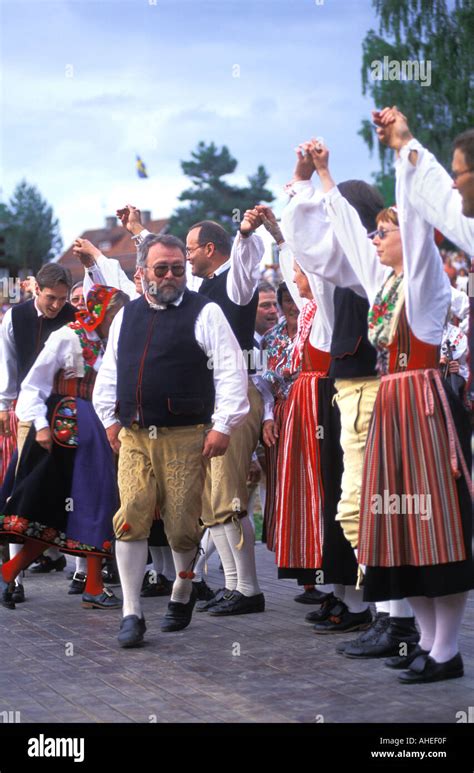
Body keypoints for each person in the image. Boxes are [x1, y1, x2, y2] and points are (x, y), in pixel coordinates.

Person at [305, 135, 472, 683]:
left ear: (409, 236)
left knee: (434, 527)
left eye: (386, 230)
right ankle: (426, 641)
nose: (375, 238)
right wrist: (325, 180)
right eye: (376, 230)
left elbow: (419, 233)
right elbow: (352, 241)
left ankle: (447, 650)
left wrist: (405, 154)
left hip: (420, 408)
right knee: (399, 528)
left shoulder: (425, 288)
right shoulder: (385, 285)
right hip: (393, 411)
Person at [93, 233, 250, 647]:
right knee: (131, 515)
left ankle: (183, 588)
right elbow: (110, 371)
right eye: (160, 269)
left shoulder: (206, 312)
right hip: (134, 435)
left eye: (178, 269)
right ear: (141, 272)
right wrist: (110, 419)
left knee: (182, 525)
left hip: (186, 434)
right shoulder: (127, 315)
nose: (170, 276)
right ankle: (132, 612)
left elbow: (232, 372)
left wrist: (223, 425)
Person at [118, 206, 266, 618]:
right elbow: (159, 261)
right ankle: (233, 585)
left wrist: (247, 234)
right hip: (206, 402)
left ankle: (248, 588)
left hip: (231, 397)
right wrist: (135, 231)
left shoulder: (233, 286)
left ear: (210, 250)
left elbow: (245, 262)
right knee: (209, 498)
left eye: (189, 251)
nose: (180, 263)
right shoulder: (191, 287)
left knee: (228, 495)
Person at [0, 285, 128, 610]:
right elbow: (33, 384)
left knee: (94, 502)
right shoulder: (67, 337)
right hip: (64, 428)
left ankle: (12, 571)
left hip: (96, 428)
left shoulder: (113, 343)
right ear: (101, 312)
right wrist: (40, 426)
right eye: (114, 314)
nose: (119, 321)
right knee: (63, 505)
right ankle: (90, 586)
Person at [0, 264, 77, 599]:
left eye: (62, 299)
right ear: (36, 290)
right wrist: (4, 404)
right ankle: (13, 579)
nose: (57, 305)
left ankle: (82, 572)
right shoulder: (15, 317)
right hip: (30, 411)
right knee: (23, 488)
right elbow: (7, 362)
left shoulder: (75, 316)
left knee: (74, 489)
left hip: (69, 412)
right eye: (51, 298)